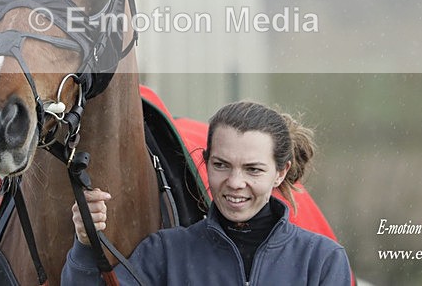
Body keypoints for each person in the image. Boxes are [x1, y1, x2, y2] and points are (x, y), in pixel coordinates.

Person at [61, 101, 352, 285]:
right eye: (222, 165)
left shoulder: (322, 259)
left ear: (281, 172)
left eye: (253, 170)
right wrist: (86, 245)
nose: (235, 182)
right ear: (206, 161)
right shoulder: (165, 253)